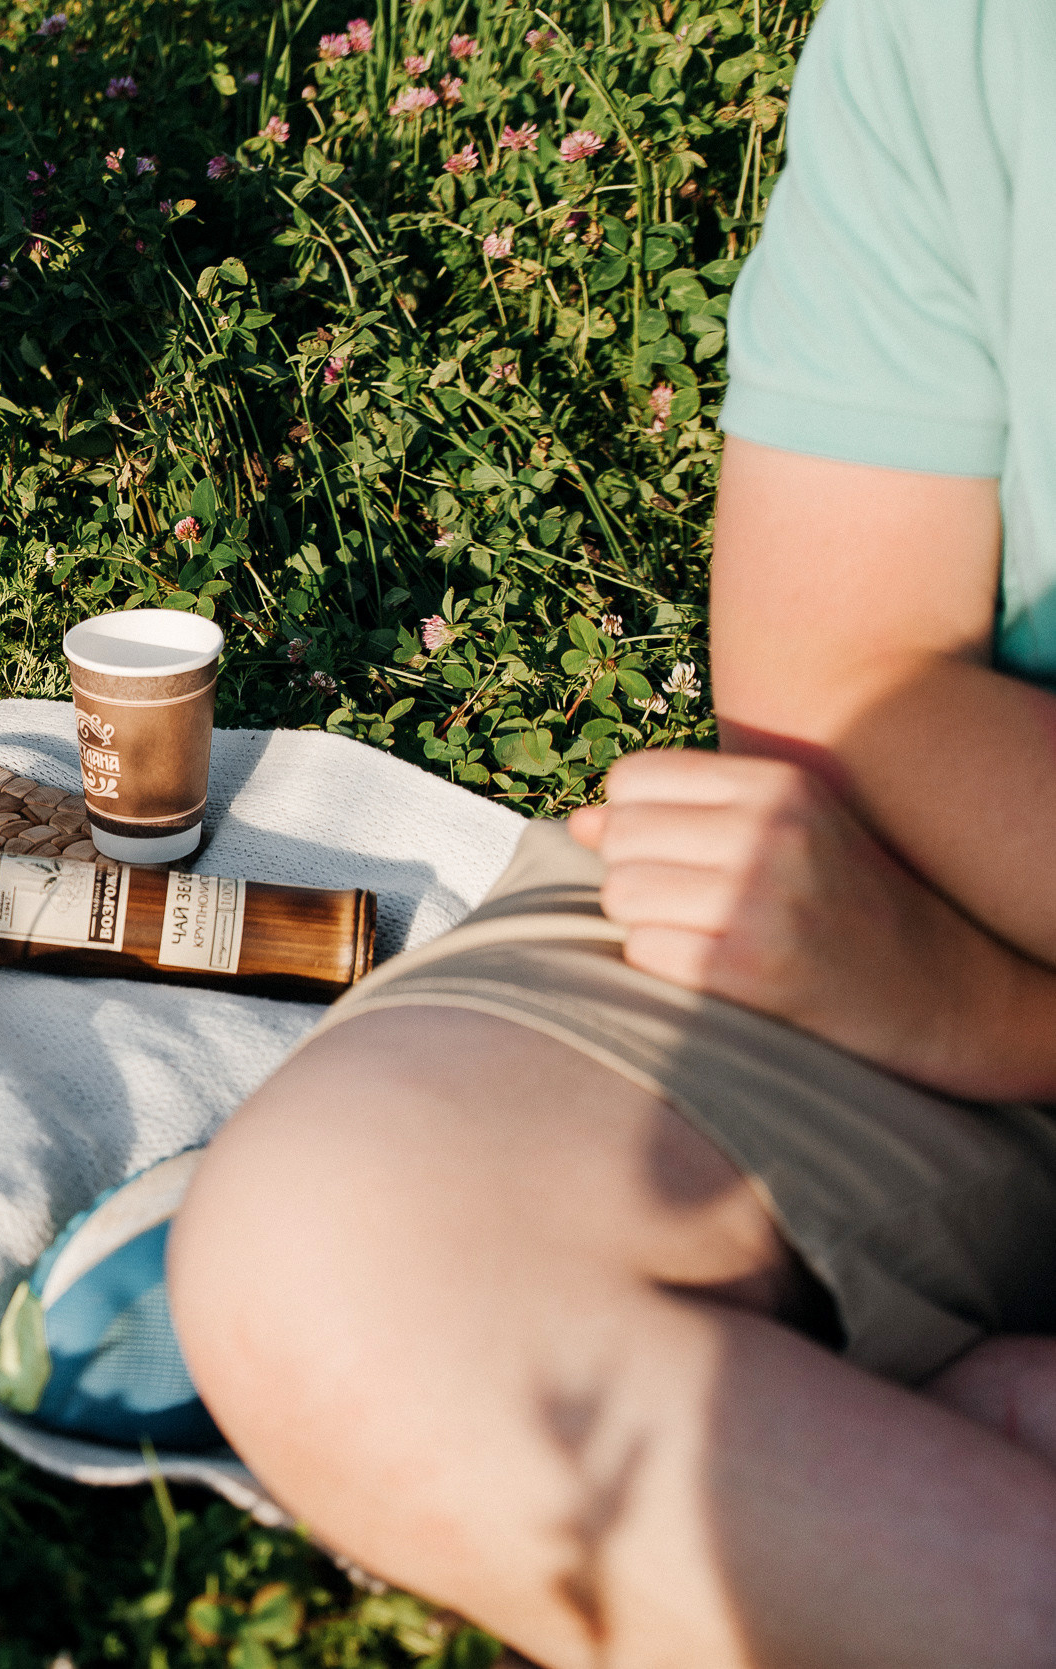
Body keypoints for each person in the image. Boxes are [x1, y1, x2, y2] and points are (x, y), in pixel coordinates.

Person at [165, 0, 1056, 1660]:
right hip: (965, 883)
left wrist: (996, 1016)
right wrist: (954, 994)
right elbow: (848, 656)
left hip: (975, 966)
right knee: (349, 1255)